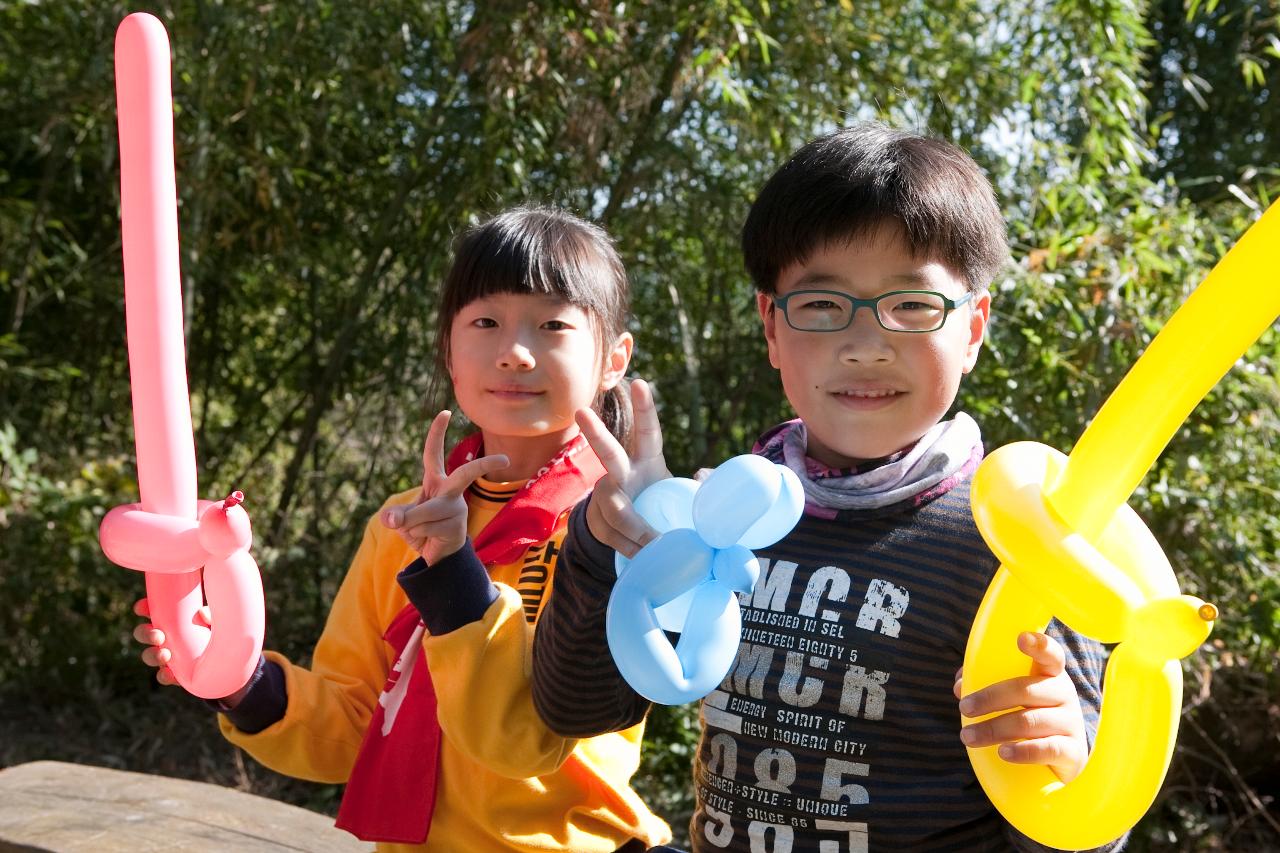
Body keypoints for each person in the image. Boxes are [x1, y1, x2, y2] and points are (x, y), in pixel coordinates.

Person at [530, 125, 1125, 851]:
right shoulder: (730, 513)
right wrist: (606, 548)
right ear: (771, 325)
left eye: (911, 304)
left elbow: (1079, 831)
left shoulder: (1018, 546)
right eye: (820, 305)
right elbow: (576, 708)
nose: (866, 342)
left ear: (973, 326)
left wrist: (1066, 760)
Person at [133, 207, 672, 852]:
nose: (514, 352)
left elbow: (522, 742)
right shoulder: (401, 522)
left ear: (614, 359)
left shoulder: (622, 529)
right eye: (485, 322)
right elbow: (357, 721)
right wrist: (240, 683)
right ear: (449, 348)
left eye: (553, 324)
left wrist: (453, 577)